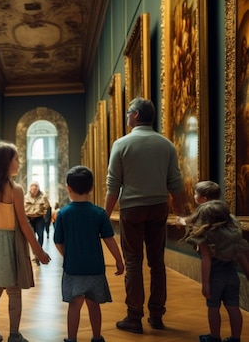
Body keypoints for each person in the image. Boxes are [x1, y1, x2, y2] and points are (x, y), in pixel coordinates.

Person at [104, 97, 188, 334]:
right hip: (159, 207)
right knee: (157, 262)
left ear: (136, 115)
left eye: (129, 112)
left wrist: (104, 216)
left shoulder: (121, 144)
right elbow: (176, 184)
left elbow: (113, 185)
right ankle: (157, 314)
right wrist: (182, 213)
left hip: (132, 209)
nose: (127, 115)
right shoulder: (166, 144)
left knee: (133, 262)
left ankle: (134, 316)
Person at [0, 141, 50, 342]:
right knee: (14, 292)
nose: (19, 162)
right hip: (11, 245)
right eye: (16, 159)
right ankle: (14, 335)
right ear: (4, 163)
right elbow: (25, 225)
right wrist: (39, 252)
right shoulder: (14, 189)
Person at [54, 166, 124, 342]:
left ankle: (71, 339)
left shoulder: (63, 214)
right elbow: (109, 239)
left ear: (68, 188)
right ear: (92, 188)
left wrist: (67, 256)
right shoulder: (99, 213)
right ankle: (97, 337)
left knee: (74, 305)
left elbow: (58, 242)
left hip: (73, 269)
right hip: (95, 268)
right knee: (94, 305)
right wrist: (118, 259)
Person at [180, 200, 249, 342]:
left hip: (215, 277)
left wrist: (205, 283)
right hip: (232, 276)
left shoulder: (206, 236)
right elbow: (242, 254)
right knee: (233, 308)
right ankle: (236, 338)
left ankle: (214, 337)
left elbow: (207, 260)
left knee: (213, 308)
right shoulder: (234, 234)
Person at [24, 181, 51, 264]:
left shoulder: (43, 197)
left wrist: (47, 219)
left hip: (39, 218)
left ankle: (38, 254)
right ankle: (35, 253)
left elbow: (48, 208)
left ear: (38, 188)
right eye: (32, 186)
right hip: (29, 218)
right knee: (31, 236)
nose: (34, 188)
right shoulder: (25, 197)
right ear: (30, 188)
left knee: (40, 235)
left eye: (36, 186)